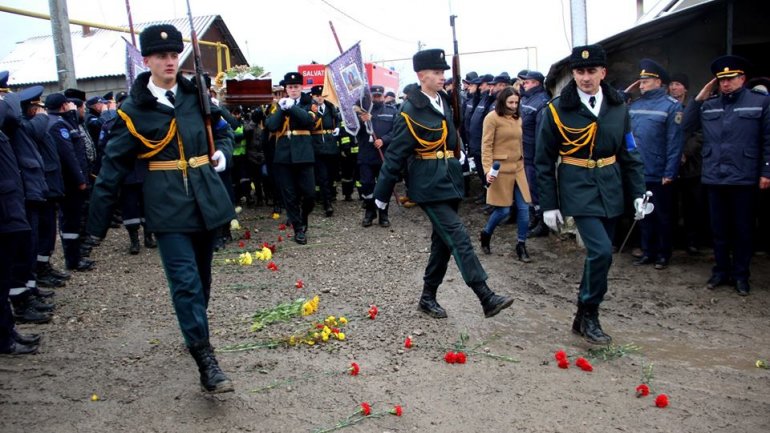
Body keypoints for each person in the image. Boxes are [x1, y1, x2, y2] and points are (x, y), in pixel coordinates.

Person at [87, 24, 234, 393]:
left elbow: (227, 132)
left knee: (202, 281)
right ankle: (205, 359)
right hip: (167, 207)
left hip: (206, 200)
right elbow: (111, 169)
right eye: (161, 56)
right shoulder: (133, 110)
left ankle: (194, 329)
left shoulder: (196, 95)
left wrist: (222, 154)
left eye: (173, 55)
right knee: (184, 283)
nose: (169, 62)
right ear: (147, 60)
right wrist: (95, 226)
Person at [374, 48, 514, 319]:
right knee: (458, 234)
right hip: (427, 183)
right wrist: (380, 195)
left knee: (443, 242)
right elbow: (395, 154)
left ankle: (427, 297)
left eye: (443, 73)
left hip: (450, 178)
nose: (442, 77)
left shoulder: (444, 101)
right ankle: (485, 295)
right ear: (421, 75)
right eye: (436, 73)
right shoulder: (409, 109)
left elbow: (452, 135)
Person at [536, 44, 646, 345]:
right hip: (577, 187)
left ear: (603, 73)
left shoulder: (618, 106)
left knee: (602, 256)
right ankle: (592, 314)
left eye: (591, 71)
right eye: (580, 71)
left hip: (611, 186)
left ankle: (583, 314)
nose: (586, 77)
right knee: (600, 251)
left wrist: (638, 193)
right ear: (573, 74)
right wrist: (548, 204)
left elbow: (630, 153)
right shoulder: (558, 109)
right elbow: (543, 160)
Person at [683, 55, 770, 296]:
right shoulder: (709, 105)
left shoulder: (759, 102)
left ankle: (741, 275)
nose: (726, 83)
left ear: (742, 78)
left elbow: (768, 139)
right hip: (714, 177)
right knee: (718, 229)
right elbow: (685, 126)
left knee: (743, 229)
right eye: (722, 80)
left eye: (731, 79)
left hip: (745, 177)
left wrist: (766, 171)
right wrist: (699, 98)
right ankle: (720, 271)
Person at [626, 59, 684, 270]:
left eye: (646, 80)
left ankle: (663, 254)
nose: (641, 84)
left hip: (659, 172)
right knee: (642, 214)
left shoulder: (671, 106)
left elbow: (674, 142)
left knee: (662, 215)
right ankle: (647, 251)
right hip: (638, 170)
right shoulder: (635, 105)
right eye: (640, 81)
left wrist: (670, 171)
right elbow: (628, 135)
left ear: (658, 82)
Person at [0, 82, 41, 355]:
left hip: (8, 213)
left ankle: (7, 332)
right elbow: (11, 109)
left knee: (3, 280)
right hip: (3, 216)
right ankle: (4, 340)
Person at [479, 87, 532, 262]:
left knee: (524, 209)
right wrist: (487, 170)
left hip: (518, 168)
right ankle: (486, 233)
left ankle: (521, 244)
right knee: (503, 210)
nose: (514, 106)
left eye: (516, 102)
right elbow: (486, 146)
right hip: (500, 169)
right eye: (510, 102)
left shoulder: (518, 119)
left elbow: (520, 143)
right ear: (502, 101)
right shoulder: (492, 118)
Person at [264, 72, 317, 244]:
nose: (293, 90)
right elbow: (271, 126)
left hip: (304, 154)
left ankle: (303, 217)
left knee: (309, 194)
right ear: (286, 89)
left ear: (301, 87)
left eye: (296, 87)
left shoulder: (309, 103)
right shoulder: (280, 105)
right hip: (284, 156)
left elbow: (308, 122)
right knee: (289, 195)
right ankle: (298, 229)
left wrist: (291, 107)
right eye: (290, 87)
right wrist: (281, 108)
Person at [357, 85, 398, 227]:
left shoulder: (392, 111)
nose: (377, 98)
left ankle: (383, 214)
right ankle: (369, 212)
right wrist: (362, 121)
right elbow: (354, 131)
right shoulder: (362, 112)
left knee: (384, 186)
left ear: (384, 96)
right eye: (374, 96)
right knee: (367, 185)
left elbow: (396, 130)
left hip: (384, 155)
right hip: (366, 155)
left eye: (379, 96)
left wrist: (384, 139)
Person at [517, 70, 551, 238]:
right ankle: (533, 218)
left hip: (534, 156)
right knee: (529, 190)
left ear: (537, 83)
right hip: (524, 154)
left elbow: (541, 135)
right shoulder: (526, 99)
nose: (524, 85)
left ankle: (542, 223)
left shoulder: (542, 102)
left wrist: (539, 158)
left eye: (528, 82)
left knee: (537, 191)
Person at [310, 85, 341, 217]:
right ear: (313, 96)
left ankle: (330, 196)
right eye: (317, 96)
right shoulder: (311, 110)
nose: (320, 98)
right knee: (322, 176)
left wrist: (338, 128)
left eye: (322, 95)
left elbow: (338, 120)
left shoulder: (330, 107)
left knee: (331, 174)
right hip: (317, 146)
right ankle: (327, 203)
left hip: (331, 146)